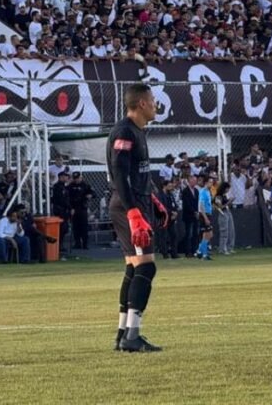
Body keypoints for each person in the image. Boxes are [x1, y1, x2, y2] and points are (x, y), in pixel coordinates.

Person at [107, 83, 166, 353]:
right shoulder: (125, 131)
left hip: (136, 202)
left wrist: (152, 199)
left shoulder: (138, 131)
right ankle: (132, 335)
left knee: (134, 267)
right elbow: (119, 172)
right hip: (129, 206)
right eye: (152, 101)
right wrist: (133, 212)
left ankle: (123, 334)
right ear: (142, 103)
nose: (155, 105)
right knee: (146, 267)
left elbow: (135, 173)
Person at [67, 172, 93, 250]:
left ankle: (85, 243)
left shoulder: (85, 185)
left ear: (81, 178)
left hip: (82, 207)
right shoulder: (70, 186)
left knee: (84, 226)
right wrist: (70, 208)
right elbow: (67, 197)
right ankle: (77, 243)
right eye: (75, 178)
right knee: (75, 226)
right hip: (74, 208)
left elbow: (93, 193)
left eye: (78, 178)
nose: (76, 180)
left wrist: (90, 195)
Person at [50, 171, 71, 255]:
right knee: (62, 228)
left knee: (64, 228)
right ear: (60, 177)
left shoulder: (64, 187)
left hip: (64, 210)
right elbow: (60, 199)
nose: (66, 178)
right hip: (59, 210)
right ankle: (59, 245)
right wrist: (68, 207)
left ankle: (60, 244)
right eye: (65, 176)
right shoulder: (57, 187)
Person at [195, 174, 213, 260]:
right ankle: (202, 253)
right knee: (208, 234)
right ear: (206, 183)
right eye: (210, 182)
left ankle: (201, 252)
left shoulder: (208, 192)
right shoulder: (202, 191)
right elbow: (201, 205)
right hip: (204, 214)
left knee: (207, 235)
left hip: (208, 214)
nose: (211, 184)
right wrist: (205, 217)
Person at [215, 181, 235, 255]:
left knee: (231, 231)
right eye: (227, 188)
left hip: (228, 212)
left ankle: (229, 247)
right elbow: (220, 207)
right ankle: (222, 248)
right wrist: (229, 202)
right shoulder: (218, 196)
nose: (228, 190)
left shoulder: (224, 196)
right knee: (224, 232)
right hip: (222, 213)